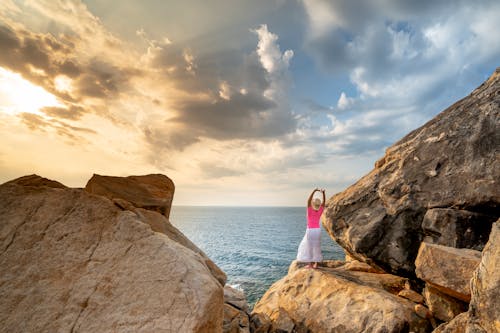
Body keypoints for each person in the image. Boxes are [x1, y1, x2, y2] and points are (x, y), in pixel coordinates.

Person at [296, 188, 326, 269]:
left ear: (312, 204)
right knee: (317, 246)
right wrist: (323, 193)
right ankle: (316, 264)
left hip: (310, 231)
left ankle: (310, 264)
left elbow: (308, 201)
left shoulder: (309, 210)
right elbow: (324, 203)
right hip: (318, 230)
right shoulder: (320, 210)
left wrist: (314, 191)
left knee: (309, 247)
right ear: (319, 205)